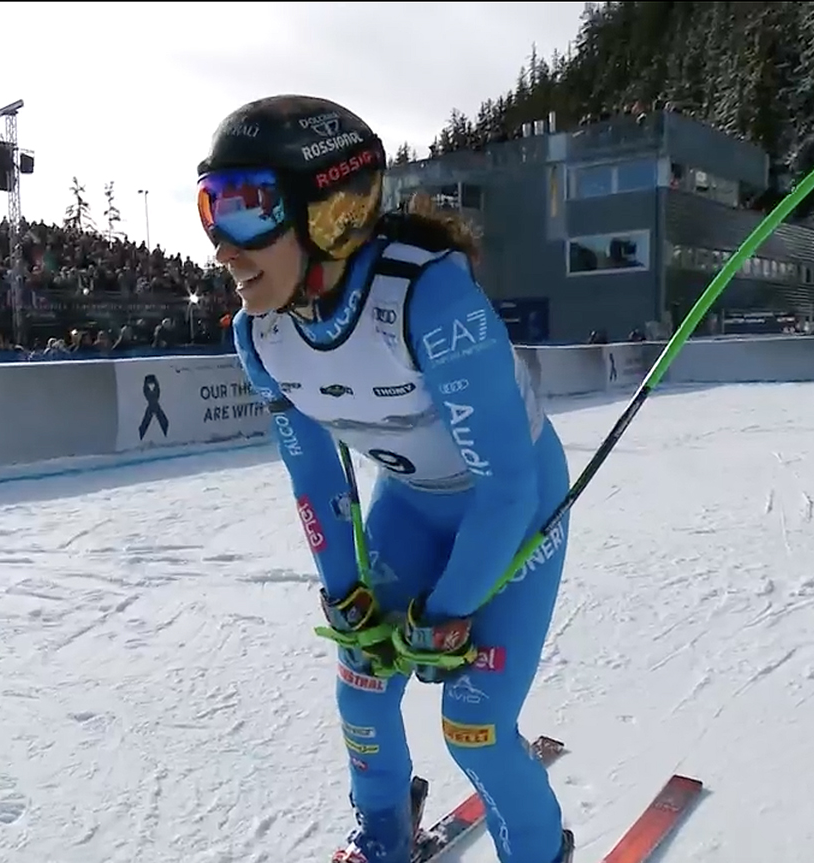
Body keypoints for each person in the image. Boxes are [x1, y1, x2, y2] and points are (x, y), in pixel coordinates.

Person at [196, 94, 573, 863]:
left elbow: (508, 489)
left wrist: (447, 610)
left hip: (516, 512)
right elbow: (315, 478)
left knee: (473, 723)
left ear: (329, 211)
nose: (223, 246)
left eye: (247, 209)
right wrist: (347, 594)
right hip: (412, 506)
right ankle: (384, 834)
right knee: (362, 687)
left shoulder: (428, 297)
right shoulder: (259, 333)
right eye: (210, 207)